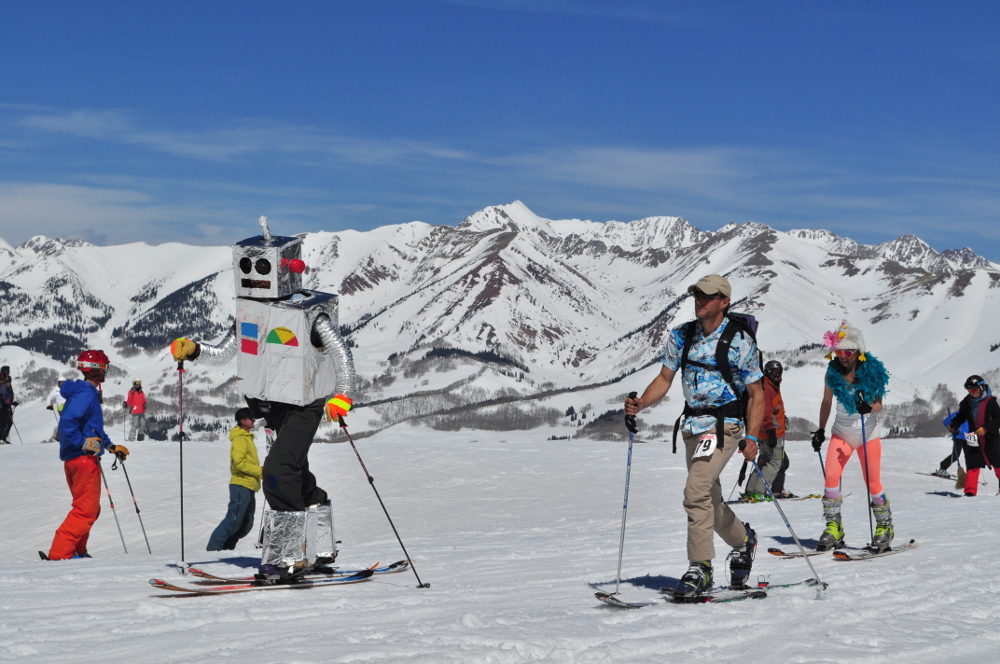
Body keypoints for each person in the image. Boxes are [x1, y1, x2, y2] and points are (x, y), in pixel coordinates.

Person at [170, 216, 356, 580]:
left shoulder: (309, 313)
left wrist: (342, 397)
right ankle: (318, 547)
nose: (255, 276)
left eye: (262, 268)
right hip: (272, 409)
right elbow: (225, 352)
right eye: (249, 268)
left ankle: (286, 557)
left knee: (276, 472)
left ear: (284, 269)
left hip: (305, 407)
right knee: (295, 473)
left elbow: (341, 354)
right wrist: (193, 350)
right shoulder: (248, 313)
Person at [625, 274, 763, 598]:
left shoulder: (740, 342)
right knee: (708, 501)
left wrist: (753, 437)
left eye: (707, 295)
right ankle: (744, 541)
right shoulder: (682, 335)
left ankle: (700, 568)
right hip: (692, 428)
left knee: (696, 491)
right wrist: (641, 403)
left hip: (725, 425)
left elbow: (757, 394)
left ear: (724, 301)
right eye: (696, 295)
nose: (699, 300)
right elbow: (664, 377)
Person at [811, 322, 891, 552]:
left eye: (848, 352)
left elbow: (878, 405)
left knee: (873, 483)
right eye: (839, 352)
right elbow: (827, 402)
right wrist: (821, 430)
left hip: (868, 434)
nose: (843, 357)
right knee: (830, 480)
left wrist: (868, 407)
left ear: (858, 352)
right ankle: (834, 527)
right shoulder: (832, 372)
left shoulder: (870, 371)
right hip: (841, 433)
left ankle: (885, 527)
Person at [46, 351, 130, 560]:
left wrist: (110, 446)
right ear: (96, 369)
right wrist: (83, 443)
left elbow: (90, 427)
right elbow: (68, 423)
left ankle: (77, 550)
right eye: (104, 368)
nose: (106, 372)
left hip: (78, 458)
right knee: (85, 510)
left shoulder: (81, 392)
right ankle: (61, 554)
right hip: (83, 459)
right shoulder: (86, 393)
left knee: (89, 508)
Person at [207, 408, 263, 551]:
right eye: (251, 418)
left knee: (246, 523)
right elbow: (239, 463)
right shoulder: (239, 439)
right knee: (234, 520)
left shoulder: (247, 438)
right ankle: (213, 550)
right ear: (243, 421)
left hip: (250, 486)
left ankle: (226, 549)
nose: (254, 420)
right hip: (241, 484)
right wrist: (260, 471)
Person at [743, 360, 789, 501]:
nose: (777, 376)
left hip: (765, 432)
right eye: (774, 373)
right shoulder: (767, 387)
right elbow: (766, 411)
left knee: (764, 461)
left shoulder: (770, 385)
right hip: (771, 432)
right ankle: (760, 491)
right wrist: (771, 431)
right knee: (775, 462)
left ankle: (751, 490)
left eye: (779, 373)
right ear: (767, 373)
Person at [947, 375, 1000, 496]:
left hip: (991, 438)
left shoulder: (991, 402)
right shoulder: (966, 402)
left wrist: (986, 428)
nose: (973, 392)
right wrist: (954, 424)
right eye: (970, 389)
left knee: (998, 463)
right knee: (972, 464)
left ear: (981, 388)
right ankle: (970, 492)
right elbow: (961, 416)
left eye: (975, 389)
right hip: (973, 438)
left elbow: (998, 419)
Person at [931, 411, 968, 478]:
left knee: (971, 457)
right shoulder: (958, 414)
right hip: (958, 437)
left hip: (970, 438)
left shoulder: (974, 415)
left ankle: (971, 474)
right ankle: (943, 468)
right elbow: (945, 421)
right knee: (955, 455)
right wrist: (952, 429)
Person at [0, 365, 16, 444]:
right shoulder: (2, 381)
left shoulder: (6, 380)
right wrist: (5, 404)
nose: (8, 373)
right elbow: (2, 395)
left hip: (7, 406)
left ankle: (3, 438)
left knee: (8, 422)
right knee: (4, 422)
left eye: (8, 371)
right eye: (6, 371)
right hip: (3, 406)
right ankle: (1, 438)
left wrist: (12, 403)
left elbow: (8, 395)